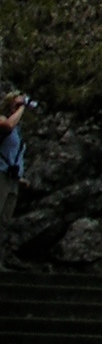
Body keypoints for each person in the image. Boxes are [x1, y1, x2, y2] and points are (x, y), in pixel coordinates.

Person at [0, 90, 26, 255]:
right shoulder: (3, 120)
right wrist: (21, 108)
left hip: (12, 177)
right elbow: (8, 126)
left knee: (3, 221)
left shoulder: (19, 130)